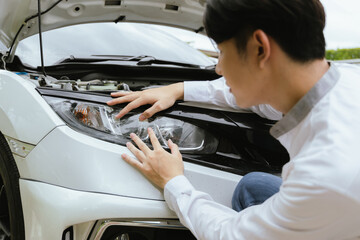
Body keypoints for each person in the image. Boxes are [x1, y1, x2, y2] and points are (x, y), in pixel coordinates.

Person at [107, 0, 360, 239]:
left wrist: (174, 182)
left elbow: (230, 234)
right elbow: (249, 95)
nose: (218, 69)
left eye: (221, 53)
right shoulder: (346, 79)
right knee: (254, 186)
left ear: (259, 47)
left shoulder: (325, 174)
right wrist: (178, 89)